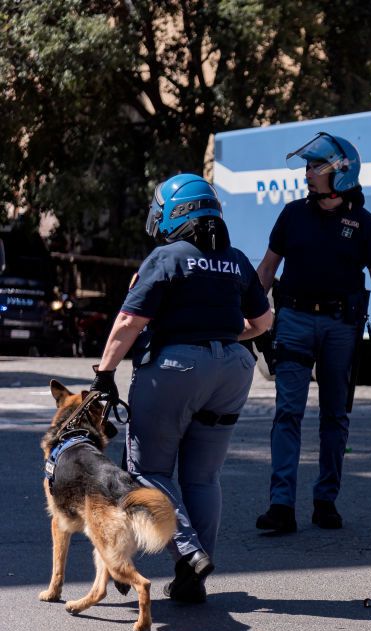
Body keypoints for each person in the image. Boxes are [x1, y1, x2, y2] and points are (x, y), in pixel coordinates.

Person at [89, 173, 273, 602]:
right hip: (232, 369)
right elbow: (263, 323)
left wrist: (104, 372)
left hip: (174, 368)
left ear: (174, 212)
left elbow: (130, 321)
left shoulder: (166, 257)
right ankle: (193, 577)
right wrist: (221, 337)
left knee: (147, 470)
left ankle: (187, 553)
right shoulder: (236, 260)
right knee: (204, 477)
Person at [254, 132, 371, 534]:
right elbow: (266, 270)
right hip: (293, 321)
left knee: (335, 417)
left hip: (341, 327)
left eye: (316, 167)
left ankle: (325, 501)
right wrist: (248, 321)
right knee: (287, 414)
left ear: (341, 174)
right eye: (308, 166)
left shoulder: (365, 225)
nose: (307, 174)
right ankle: (281, 505)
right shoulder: (292, 214)